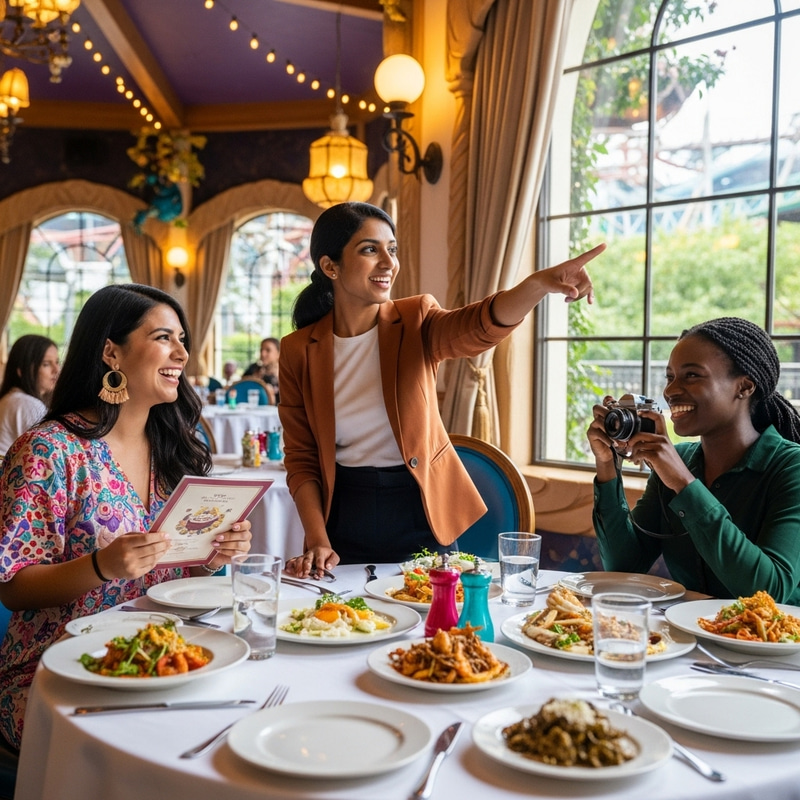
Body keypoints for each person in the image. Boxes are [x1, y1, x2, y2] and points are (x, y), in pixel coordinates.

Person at [280, 201, 605, 576]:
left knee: (429, 621)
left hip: (420, 506)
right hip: (343, 511)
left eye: (393, 249)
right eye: (370, 249)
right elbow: (302, 458)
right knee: (343, 625)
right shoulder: (297, 350)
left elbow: (477, 329)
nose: (388, 262)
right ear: (329, 266)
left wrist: (535, 286)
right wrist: (318, 538)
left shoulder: (415, 317)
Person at [0, 284, 252, 751]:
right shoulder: (50, 451)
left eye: (182, 339)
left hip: (164, 657)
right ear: (111, 352)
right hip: (62, 669)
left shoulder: (173, 451)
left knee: (243, 724)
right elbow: (13, 588)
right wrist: (102, 566)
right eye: (163, 337)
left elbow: (181, 571)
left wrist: (214, 555)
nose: (181, 352)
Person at [587, 317, 800, 604]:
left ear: (744, 387)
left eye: (692, 376)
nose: (671, 391)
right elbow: (624, 567)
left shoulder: (791, 467)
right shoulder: (681, 460)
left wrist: (684, 484)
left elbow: (767, 592)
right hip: (690, 640)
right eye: (670, 377)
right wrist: (607, 467)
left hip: (773, 643)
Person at [0, 335, 59, 455]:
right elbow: (51, 453)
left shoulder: (12, 398)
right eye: (46, 364)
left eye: (57, 362)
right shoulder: (26, 404)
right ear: (22, 370)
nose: (56, 369)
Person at [243, 337, 279, 404]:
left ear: (278, 353)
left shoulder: (285, 373)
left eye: (268, 350)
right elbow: (240, 387)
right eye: (261, 350)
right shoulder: (254, 369)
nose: (263, 354)